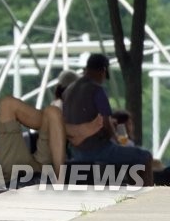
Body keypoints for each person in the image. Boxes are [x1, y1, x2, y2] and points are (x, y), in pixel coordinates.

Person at [62, 53, 153, 185]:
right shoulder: (97, 90)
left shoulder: (69, 90)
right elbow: (105, 123)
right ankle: (145, 196)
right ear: (103, 71)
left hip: (75, 152)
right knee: (144, 157)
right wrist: (117, 140)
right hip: (96, 150)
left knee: (127, 154)